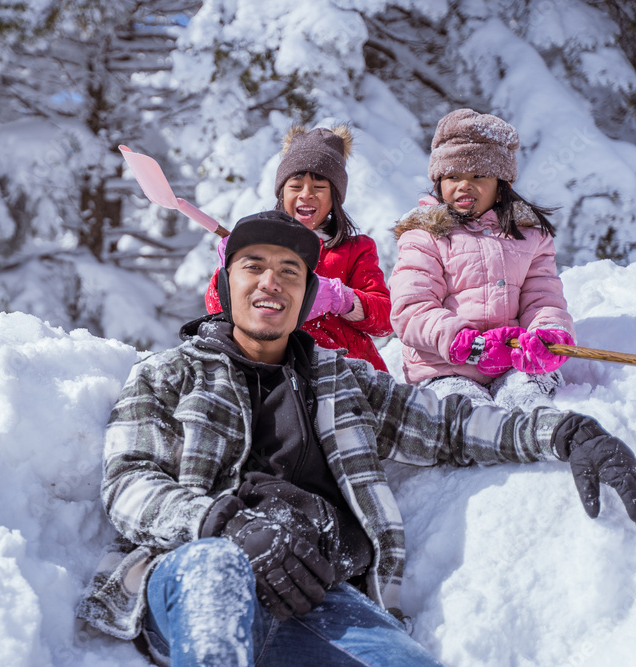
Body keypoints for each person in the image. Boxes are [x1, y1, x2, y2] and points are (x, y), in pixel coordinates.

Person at [76, 210, 636, 667]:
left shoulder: (341, 379)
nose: (272, 282)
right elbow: (129, 484)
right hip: (195, 575)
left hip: (316, 592)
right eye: (254, 267)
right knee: (216, 570)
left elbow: (446, 424)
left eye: (290, 272)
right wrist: (224, 524)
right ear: (225, 283)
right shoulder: (168, 373)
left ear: (306, 294)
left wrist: (565, 431)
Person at [389, 108, 576, 411]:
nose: (464, 185)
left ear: (502, 186)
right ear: (439, 182)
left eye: (478, 175)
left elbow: (542, 299)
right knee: (467, 417)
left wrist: (548, 334)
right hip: (445, 366)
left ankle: (542, 438)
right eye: (453, 176)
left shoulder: (529, 237)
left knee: (531, 401)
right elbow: (411, 309)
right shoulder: (424, 237)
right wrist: (467, 344)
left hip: (514, 363)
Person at [203, 125, 393, 372]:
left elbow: (385, 321)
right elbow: (217, 310)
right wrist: (229, 272)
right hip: (275, 369)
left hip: (347, 371)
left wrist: (342, 299)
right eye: (296, 186)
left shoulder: (355, 249)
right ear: (282, 193)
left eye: (319, 187)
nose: (307, 194)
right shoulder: (258, 245)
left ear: (335, 198)